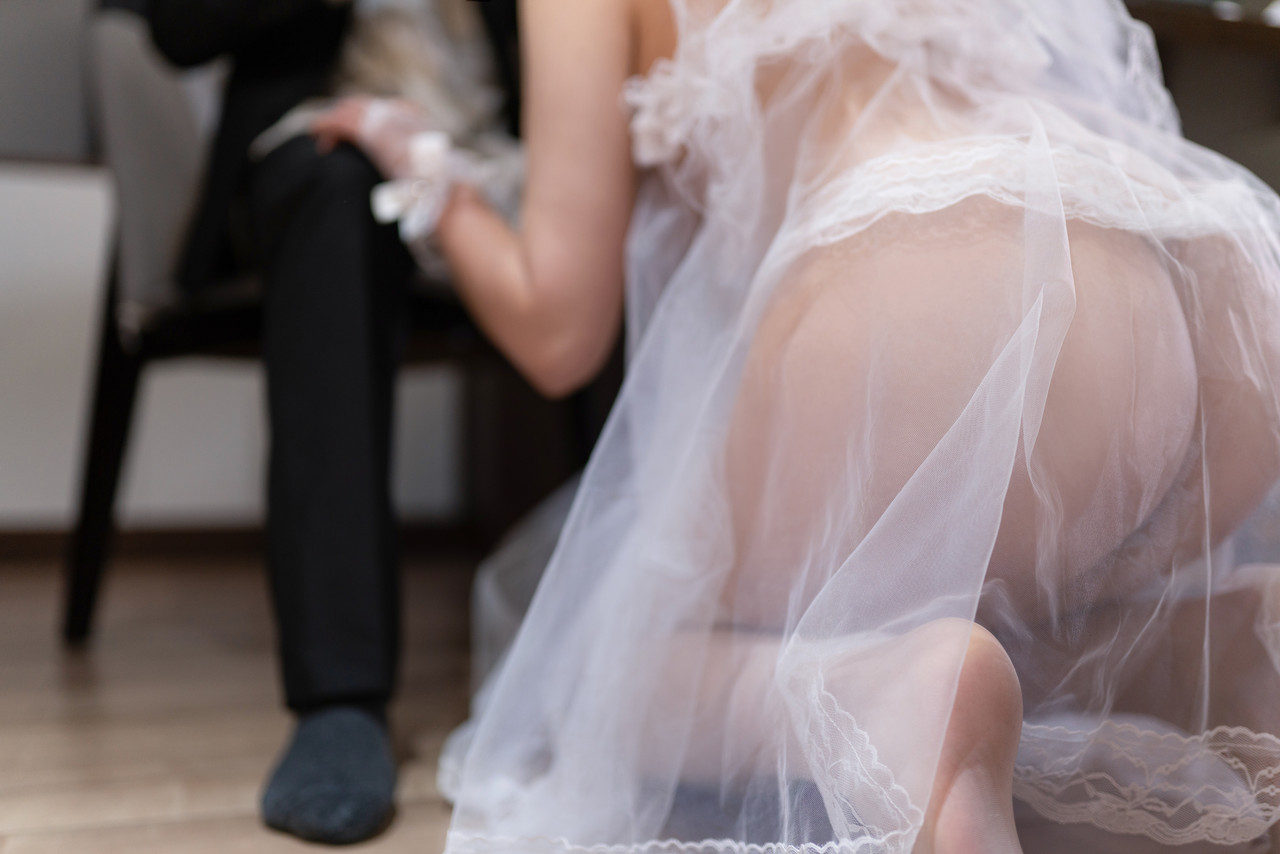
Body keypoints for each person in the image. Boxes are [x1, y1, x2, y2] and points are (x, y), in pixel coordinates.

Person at [315, 0, 1280, 851]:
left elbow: (560, 329)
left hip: (911, 273)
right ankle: (1220, 641)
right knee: (991, 578)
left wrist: (429, 177)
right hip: (1180, 286)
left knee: (609, 665)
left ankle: (900, 696)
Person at [140, 0, 514, 844]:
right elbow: (176, 27)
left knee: (632, 207)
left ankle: (642, 650)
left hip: (496, 151)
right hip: (322, 146)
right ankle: (339, 698)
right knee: (334, 188)